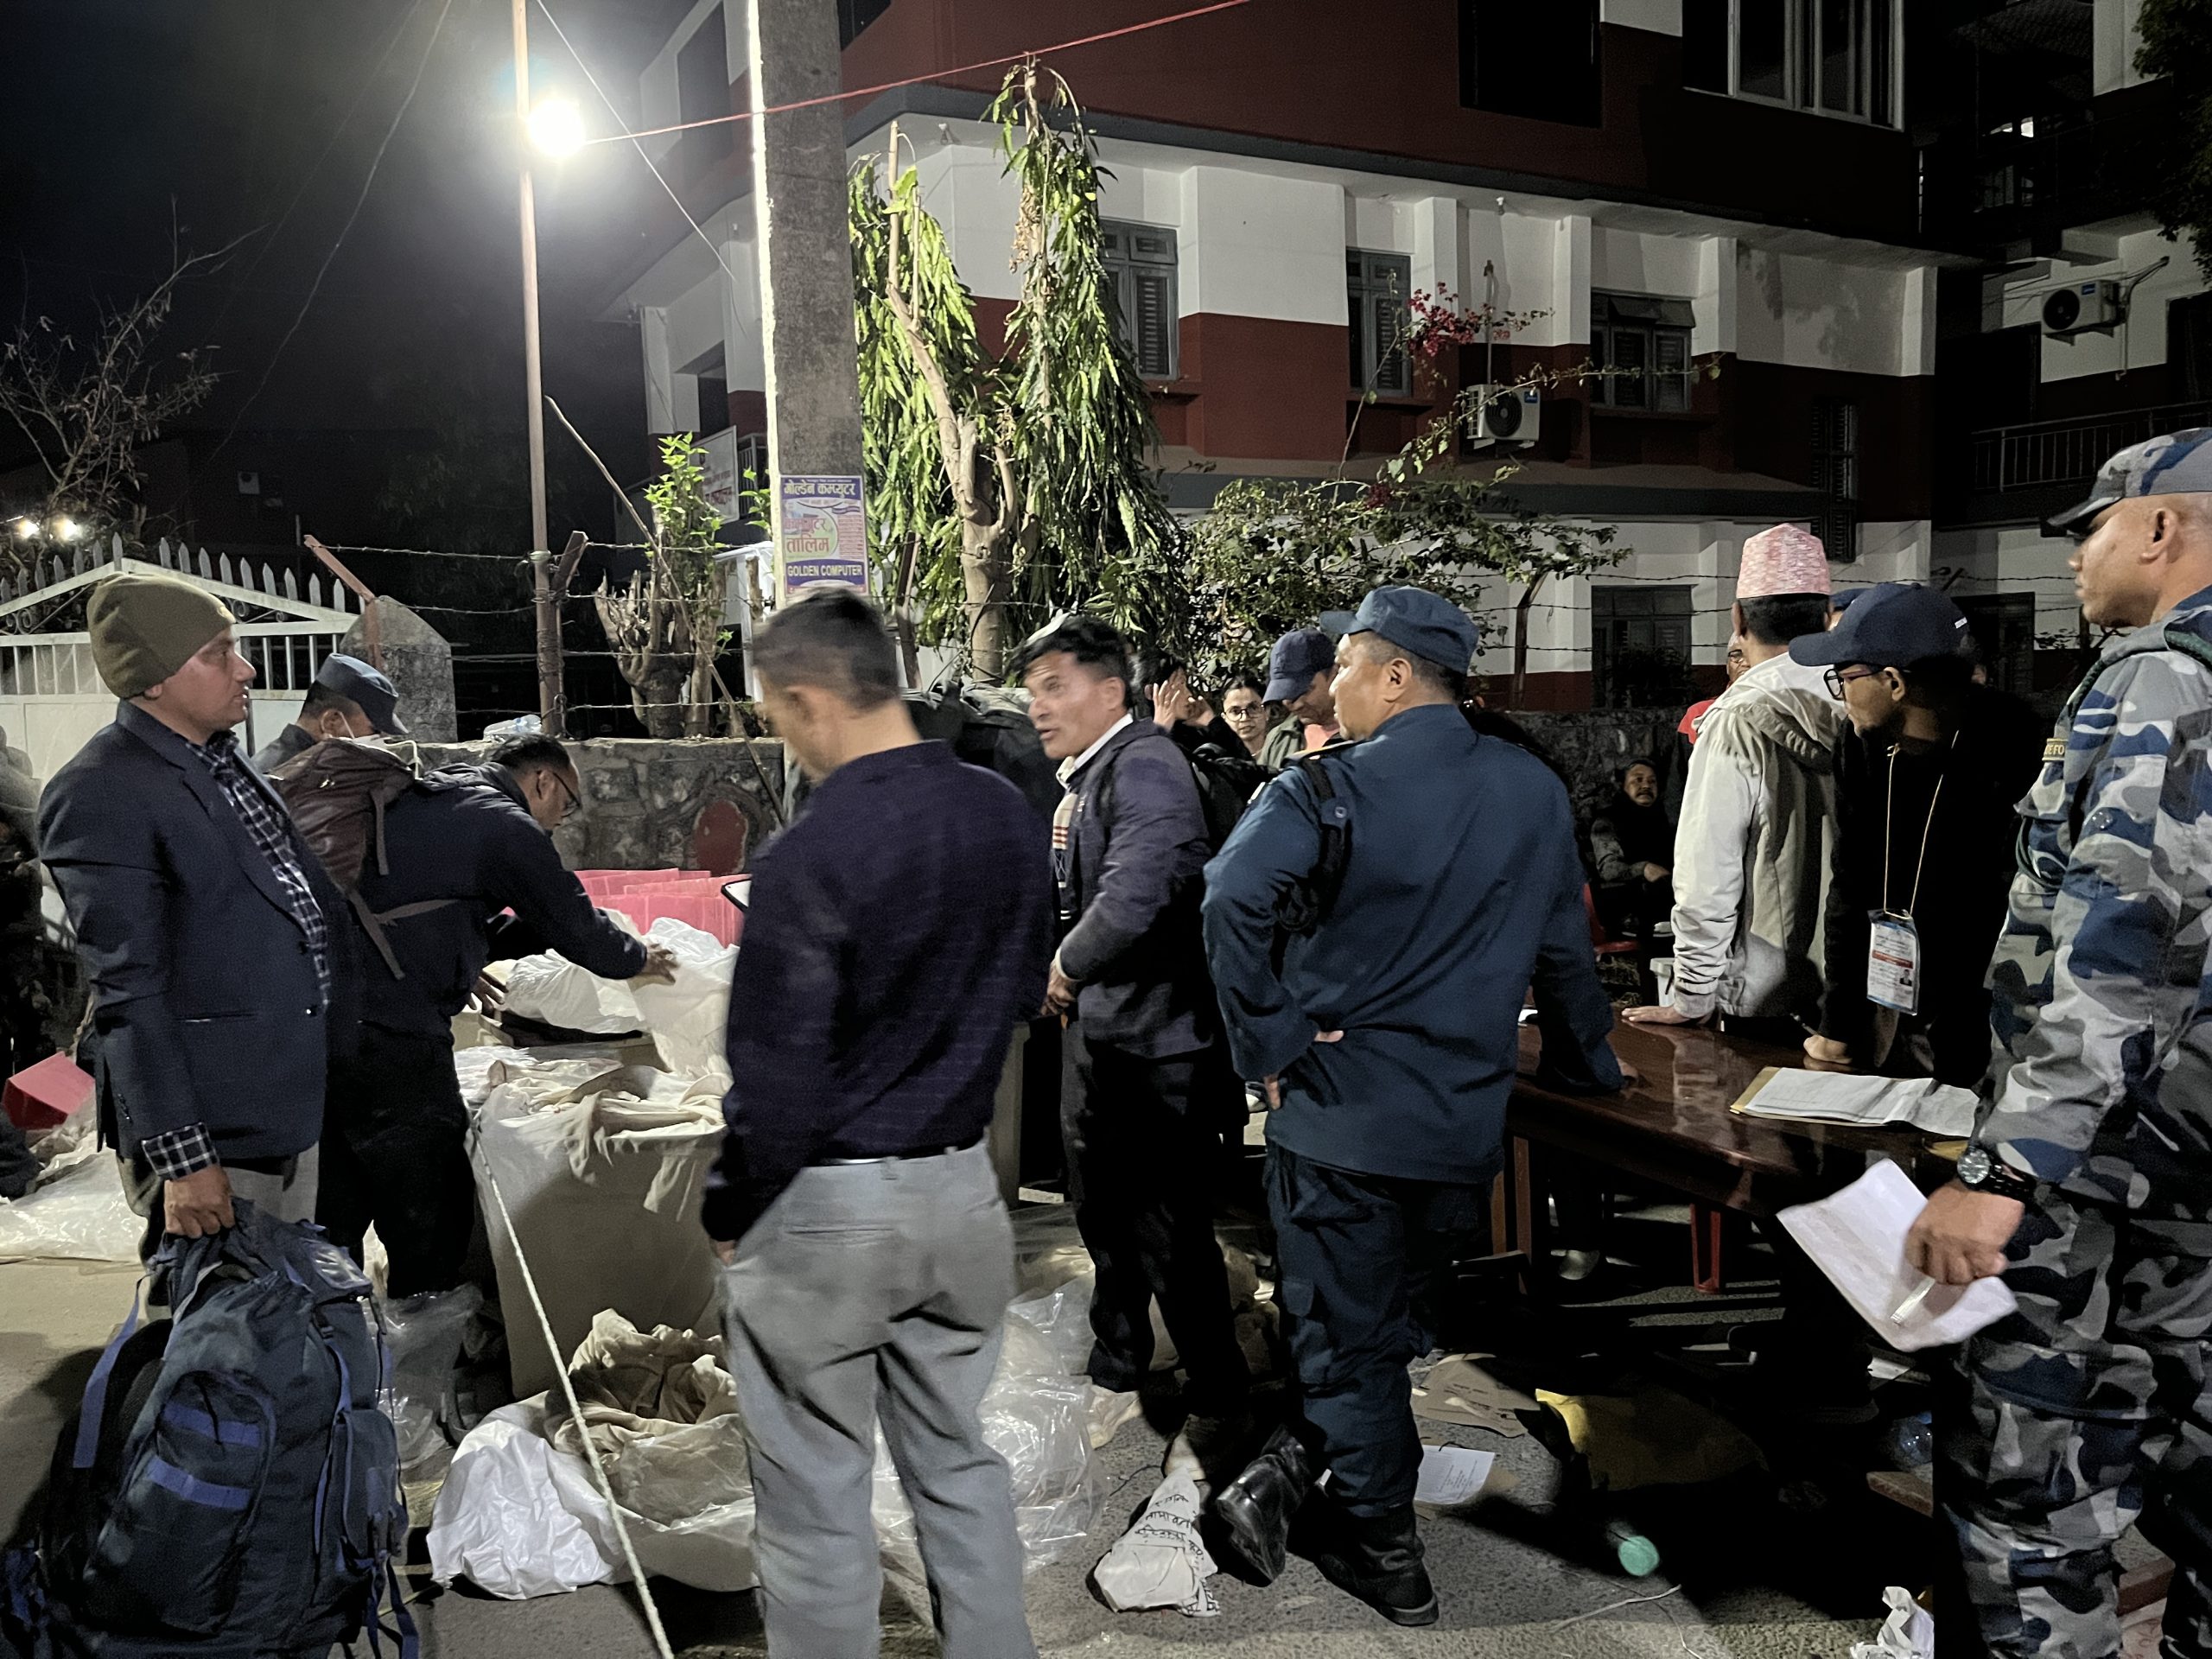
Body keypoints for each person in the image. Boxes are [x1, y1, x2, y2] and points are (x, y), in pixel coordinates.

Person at [1202, 587, 1624, 1626]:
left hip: (1341, 1121)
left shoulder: (1323, 788)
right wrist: (1589, 1066)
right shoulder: (1530, 787)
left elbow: (1228, 898)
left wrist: (1270, 1040)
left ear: (1396, 676)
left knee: (1345, 1342)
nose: (1331, 685)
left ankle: (1384, 1549)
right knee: (1389, 1325)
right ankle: (1304, 1467)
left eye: (1345, 665)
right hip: (1459, 1131)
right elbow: (1565, 953)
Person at [1906, 431, 2212, 1659]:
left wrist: (2006, 1170)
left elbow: (2123, 946)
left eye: (2090, 529)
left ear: (2160, 528)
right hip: (2192, 1170)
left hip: (2110, 1172)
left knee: (2030, 1496)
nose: (2075, 557)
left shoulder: (2163, 682)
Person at [702, 588, 1051, 1659]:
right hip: (964, 1190)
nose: (785, 739)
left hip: (829, 1208)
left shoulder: (811, 852)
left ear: (809, 699)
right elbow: (1023, 985)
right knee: (958, 1463)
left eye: (776, 715)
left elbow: (779, 1073)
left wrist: (730, 1203)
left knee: (815, 1497)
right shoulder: (1004, 814)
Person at [40, 569, 348, 1246]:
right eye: (217, 653)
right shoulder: (102, 791)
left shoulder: (224, 763)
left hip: (279, 1104)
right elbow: (129, 990)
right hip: (215, 1128)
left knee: (279, 1291)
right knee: (216, 1301)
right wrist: (185, 1160)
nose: (246, 668)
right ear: (153, 679)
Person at [315, 734, 671, 1297]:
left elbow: (434, 910)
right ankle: (423, 1342)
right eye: (566, 804)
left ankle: (329, 1336)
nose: (559, 821)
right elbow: (578, 927)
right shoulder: (503, 823)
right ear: (543, 781)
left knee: (336, 1209)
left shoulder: (437, 797)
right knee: (430, 1211)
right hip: (394, 1038)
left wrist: (463, 955)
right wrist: (639, 958)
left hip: (327, 1025)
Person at [1019, 615, 1254, 1451]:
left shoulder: (1146, 765)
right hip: (1105, 1039)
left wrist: (1065, 965)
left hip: (1156, 1045)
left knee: (1166, 1228)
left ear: (1111, 691)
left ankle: (1219, 1392)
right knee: (1104, 1214)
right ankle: (1118, 1365)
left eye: (1056, 687)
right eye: (1033, 689)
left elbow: (1140, 887)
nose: (1038, 706)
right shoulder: (1092, 776)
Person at [1788, 584, 2045, 1087]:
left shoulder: (2015, 743)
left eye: (1844, 677)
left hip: (1992, 1020)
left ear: (1893, 682)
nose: (1840, 695)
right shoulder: (1860, 743)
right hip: (1891, 1002)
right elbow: (1852, 881)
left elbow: (2019, 901)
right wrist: (1839, 1022)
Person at [1627, 524, 1842, 1039]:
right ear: (1827, 616)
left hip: (1770, 990)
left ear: (1738, 618)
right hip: (1863, 988)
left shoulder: (1735, 718)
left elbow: (1709, 869)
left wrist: (1693, 991)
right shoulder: (1864, 699)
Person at [251, 652, 406, 771]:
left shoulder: (319, 764)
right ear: (331, 721)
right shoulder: (290, 776)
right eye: (374, 730)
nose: (380, 739)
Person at [1588, 760, 1673, 938]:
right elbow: (1608, 868)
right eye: (1638, 780)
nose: (1646, 786)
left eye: (1652, 781)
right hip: (1627, 911)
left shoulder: (1663, 822)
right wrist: (1644, 869)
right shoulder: (1608, 822)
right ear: (1623, 786)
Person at [1258, 626, 1343, 769]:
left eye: (1305, 691)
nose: (1296, 705)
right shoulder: (1279, 739)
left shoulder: (1369, 734)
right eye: (1285, 693)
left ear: (1334, 674)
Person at [1220, 676, 1269, 759]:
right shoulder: (1221, 760)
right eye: (1235, 711)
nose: (1244, 718)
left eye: (1253, 708)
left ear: (1267, 711)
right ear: (1224, 718)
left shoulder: (1284, 749)